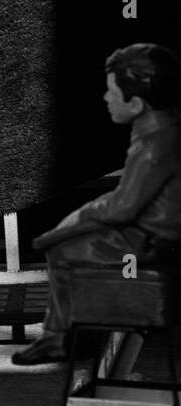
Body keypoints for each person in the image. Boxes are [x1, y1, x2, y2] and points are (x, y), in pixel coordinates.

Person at [13, 43, 181, 365]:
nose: (105, 98)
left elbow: (123, 208)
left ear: (136, 104)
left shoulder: (153, 144)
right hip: (152, 234)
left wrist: (83, 215)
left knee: (61, 250)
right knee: (62, 239)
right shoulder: (166, 129)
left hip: (149, 242)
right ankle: (60, 335)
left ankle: (59, 337)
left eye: (111, 92)